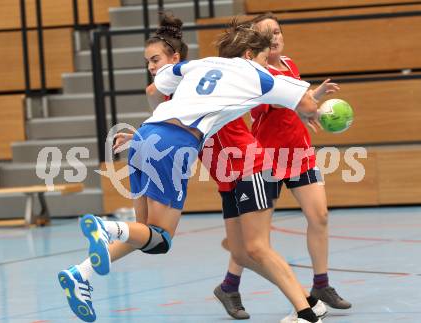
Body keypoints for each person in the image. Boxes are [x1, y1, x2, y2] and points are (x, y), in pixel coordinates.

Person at [58, 18, 321, 323]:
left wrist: (152, 131)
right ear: (250, 55)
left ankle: (81, 274)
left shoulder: (198, 65)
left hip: (147, 135)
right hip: (183, 145)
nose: (267, 63)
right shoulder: (257, 75)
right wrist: (316, 112)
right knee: (162, 239)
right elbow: (305, 101)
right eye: (263, 57)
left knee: (146, 235)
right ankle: (107, 228)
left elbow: (156, 88)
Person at [217, 13, 351, 321]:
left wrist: (314, 101)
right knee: (254, 238)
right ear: (256, 44)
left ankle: (321, 285)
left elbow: (298, 102)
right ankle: (229, 286)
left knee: (320, 215)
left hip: (299, 153)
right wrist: (308, 101)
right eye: (267, 35)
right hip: (266, 157)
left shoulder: (289, 64)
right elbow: (279, 103)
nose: (274, 38)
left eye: (277, 31)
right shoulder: (257, 75)